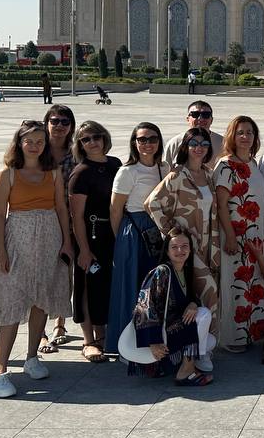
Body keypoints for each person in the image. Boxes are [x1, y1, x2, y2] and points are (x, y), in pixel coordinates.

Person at [0, 120, 74, 398]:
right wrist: (1, 250)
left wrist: (67, 242)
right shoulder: (8, 174)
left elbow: (61, 208)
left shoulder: (53, 172)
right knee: (12, 301)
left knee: (41, 298)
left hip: (49, 237)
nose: (35, 146)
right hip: (19, 239)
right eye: (29, 141)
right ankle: (0, 369)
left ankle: (32, 356)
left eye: (40, 141)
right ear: (19, 143)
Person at [145, 131, 220, 365]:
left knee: (199, 298)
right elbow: (152, 204)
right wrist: (172, 235)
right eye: (194, 143)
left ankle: (199, 347)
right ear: (186, 146)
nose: (199, 147)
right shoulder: (177, 175)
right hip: (187, 250)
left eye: (204, 143)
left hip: (208, 247)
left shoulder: (208, 174)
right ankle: (200, 353)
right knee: (210, 292)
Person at [108, 123, 166, 358]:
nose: (147, 144)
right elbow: (115, 210)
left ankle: (152, 341)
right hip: (134, 230)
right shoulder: (128, 171)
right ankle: (126, 346)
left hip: (157, 230)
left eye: (152, 139)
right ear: (134, 143)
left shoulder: (164, 167)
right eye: (142, 139)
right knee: (131, 286)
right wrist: (121, 242)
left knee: (154, 289)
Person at [127, 229, 214, 386]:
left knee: (210, 341)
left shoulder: (185, 270)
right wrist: (153, 342)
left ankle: (181, 362)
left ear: (190, 249)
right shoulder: (162, 272)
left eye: (184, 246)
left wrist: (193, 303)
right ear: (167, 251)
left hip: (174, 329)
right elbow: (145, 306)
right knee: (204, 315)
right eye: (174, 247)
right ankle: (186, 371)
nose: (180, 250)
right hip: (162, 335)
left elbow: (189, 299)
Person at [68, 120, 121, 361]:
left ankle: (104, 335)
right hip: (90, 234)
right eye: (85, 139)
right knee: (87, 286)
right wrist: (83, 250)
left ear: (104, 137)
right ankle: (88, 340)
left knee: (107, 286)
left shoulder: (115, 164)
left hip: (113, 232)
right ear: (80, 144)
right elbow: (76, 216)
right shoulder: (80, 173)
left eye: (96, 136)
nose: (92, 142)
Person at [215, 116, 264, 352]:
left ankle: (251, 333)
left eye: (249, 132)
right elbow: (221, 205)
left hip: (254, 236)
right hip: (235, 237)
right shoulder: (225, 166)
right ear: (232, 136)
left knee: (253, 285)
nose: (245, 137)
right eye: (240, 133)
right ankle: (231, 337)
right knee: (235, 285)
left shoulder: (253, 163)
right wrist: (230, 236)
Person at [40, 104, 77, 354]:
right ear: (47, 123)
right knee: (42, 274)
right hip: (41, 219)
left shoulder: (76, 153)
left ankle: (60, 324)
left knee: (65, 273)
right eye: (55, 121)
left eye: (65, 122)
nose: (59, 126)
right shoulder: (36, 149)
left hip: (70, 220)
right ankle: (40, 332)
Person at [164, 101, 224, 167]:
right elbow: (165, 169)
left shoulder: (223, 143)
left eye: (206, 115)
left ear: (211, 120)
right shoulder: (174, 143)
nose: (200, 119)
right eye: (195, 114)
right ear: (188, 119)